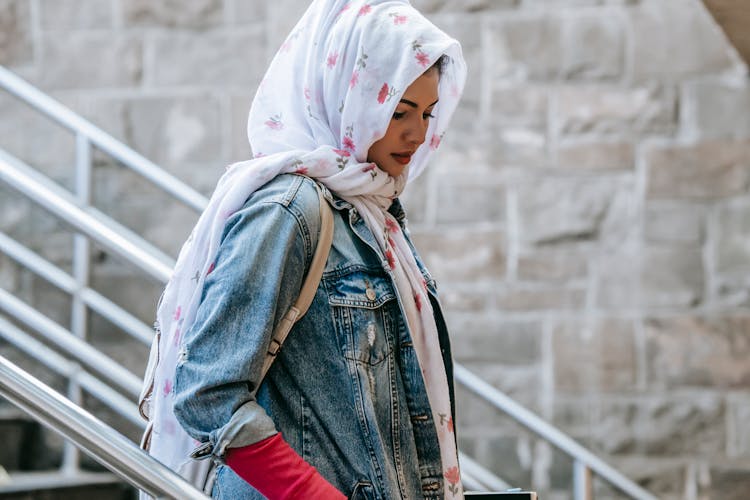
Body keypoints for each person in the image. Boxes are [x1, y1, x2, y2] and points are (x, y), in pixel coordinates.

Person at [143, 0, 467, 498]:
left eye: (427, 112)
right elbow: (208, 392)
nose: (418, 134)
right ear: (345, 97)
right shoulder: (287, 210)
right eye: (398, 111)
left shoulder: (371, 214)